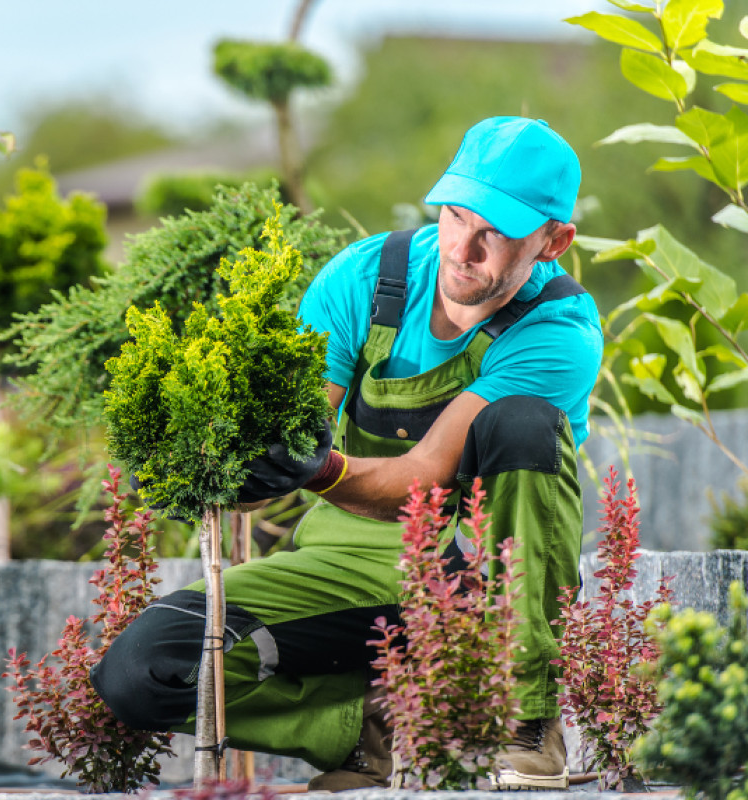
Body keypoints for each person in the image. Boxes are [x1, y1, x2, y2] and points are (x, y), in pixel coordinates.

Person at [90, 116, 601, 792]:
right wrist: (229, 461)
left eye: (497, 232)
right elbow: (296, 428)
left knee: (527, 424)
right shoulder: (367, 279)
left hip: (465, 588)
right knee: (139, 674)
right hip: (342, 569)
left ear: (553, 240)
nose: (463, 249)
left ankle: (526, 716)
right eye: (454, 214)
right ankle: (357, 724)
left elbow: (420, 479)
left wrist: (321, 469)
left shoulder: (558, 330)